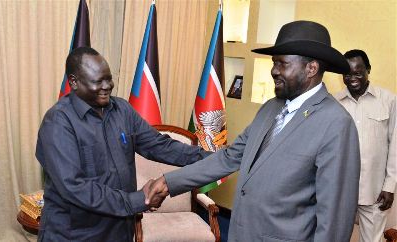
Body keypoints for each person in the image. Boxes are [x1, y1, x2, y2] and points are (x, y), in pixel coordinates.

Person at [146, 20, 361, 242]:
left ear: (311, 68)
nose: (273, 71)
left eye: (282, 64)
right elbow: (229, 158)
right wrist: (169, 181)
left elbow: (334, 220)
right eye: (274, 63)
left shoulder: (336, 123)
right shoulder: (270, 108)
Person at [35, 47, 210, 241]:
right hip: (76, 234)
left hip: (120, 230)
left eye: (108, 78)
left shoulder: (122, 110)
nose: (107, 86)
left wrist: (210, 158)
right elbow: (75, 188)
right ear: (74, 82)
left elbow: (159, 145)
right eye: (98, 81)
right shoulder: (58, 122)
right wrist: (138, 200)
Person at [334, 49, 396, 242]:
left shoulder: (389, 100)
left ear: (368, 70)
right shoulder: (334, 103)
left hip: (375, 191)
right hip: (340, 190)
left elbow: (396, 145)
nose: (352, 78)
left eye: (358, 72)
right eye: (347, 74)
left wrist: (390, 186)